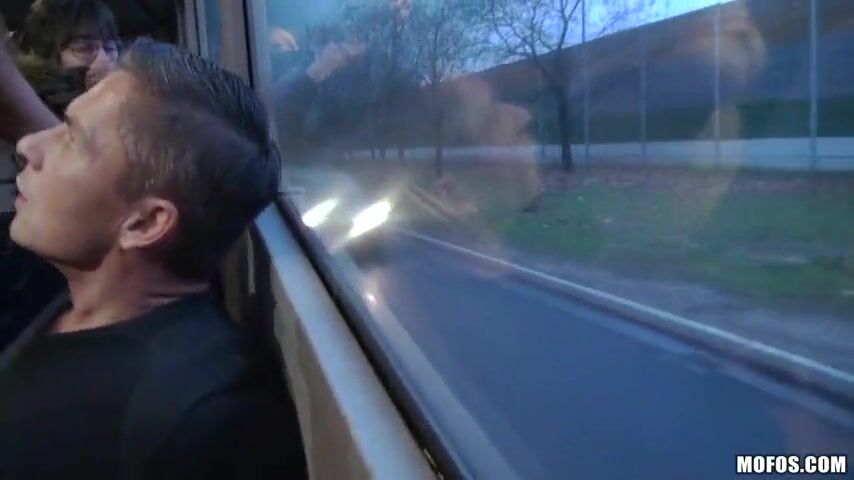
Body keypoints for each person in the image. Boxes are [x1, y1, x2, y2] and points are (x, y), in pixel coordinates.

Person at [0, 38, 306, 479]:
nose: (29, 144)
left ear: (144, 223)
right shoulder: (62, 288)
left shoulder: (204, 424)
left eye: (72, 139)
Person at [14, 0, 120, 115]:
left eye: (109, 48)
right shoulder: (27, 107)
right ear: (46, 54)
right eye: (84, 49)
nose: (104, 61)